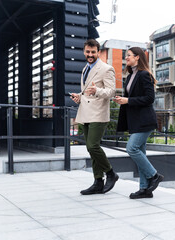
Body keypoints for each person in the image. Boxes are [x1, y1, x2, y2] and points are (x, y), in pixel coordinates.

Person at [70, 39, 118, 195]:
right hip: (85, 112)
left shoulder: (106, 69)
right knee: (91, 150)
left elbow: (111, 92)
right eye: (87, 52)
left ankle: (111, 173)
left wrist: (97, 90)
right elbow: (87, 92)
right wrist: (79, 97)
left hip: (98, 113)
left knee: (93, 146)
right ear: (84, 52)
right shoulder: (85, 68)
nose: (90, 55)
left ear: (99, 52)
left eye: (93, 52)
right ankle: (98, 181)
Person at [115, 47, 164, 199]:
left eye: (128, 56)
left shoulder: (144, 75)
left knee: (132, 148)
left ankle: (154, 175)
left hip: (145, 121)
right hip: (135, 121)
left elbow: (150, 98)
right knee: (140, 152)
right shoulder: (130, 77)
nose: (126, 58)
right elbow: (132, 98)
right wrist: (123, 101)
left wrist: (127, 100)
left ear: (137, 57)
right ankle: (144, 189)